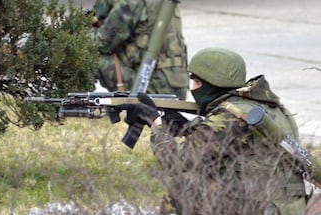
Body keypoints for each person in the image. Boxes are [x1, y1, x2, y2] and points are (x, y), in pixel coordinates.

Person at [116, 47, 308, 215]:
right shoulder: (269, 108)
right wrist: (182, 126)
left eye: (196, 82)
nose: (192, 88)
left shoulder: (232, 115)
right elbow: (227, 145)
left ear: (210, 83)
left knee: (181, 192)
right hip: (285, 205)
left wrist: (155, 121)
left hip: (256, 206)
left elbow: (176, 160)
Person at [90, 0, 188, 100]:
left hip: (149, 84)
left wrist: (83, 32)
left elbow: (102, 42)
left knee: (90, 53)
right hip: (176, 83)